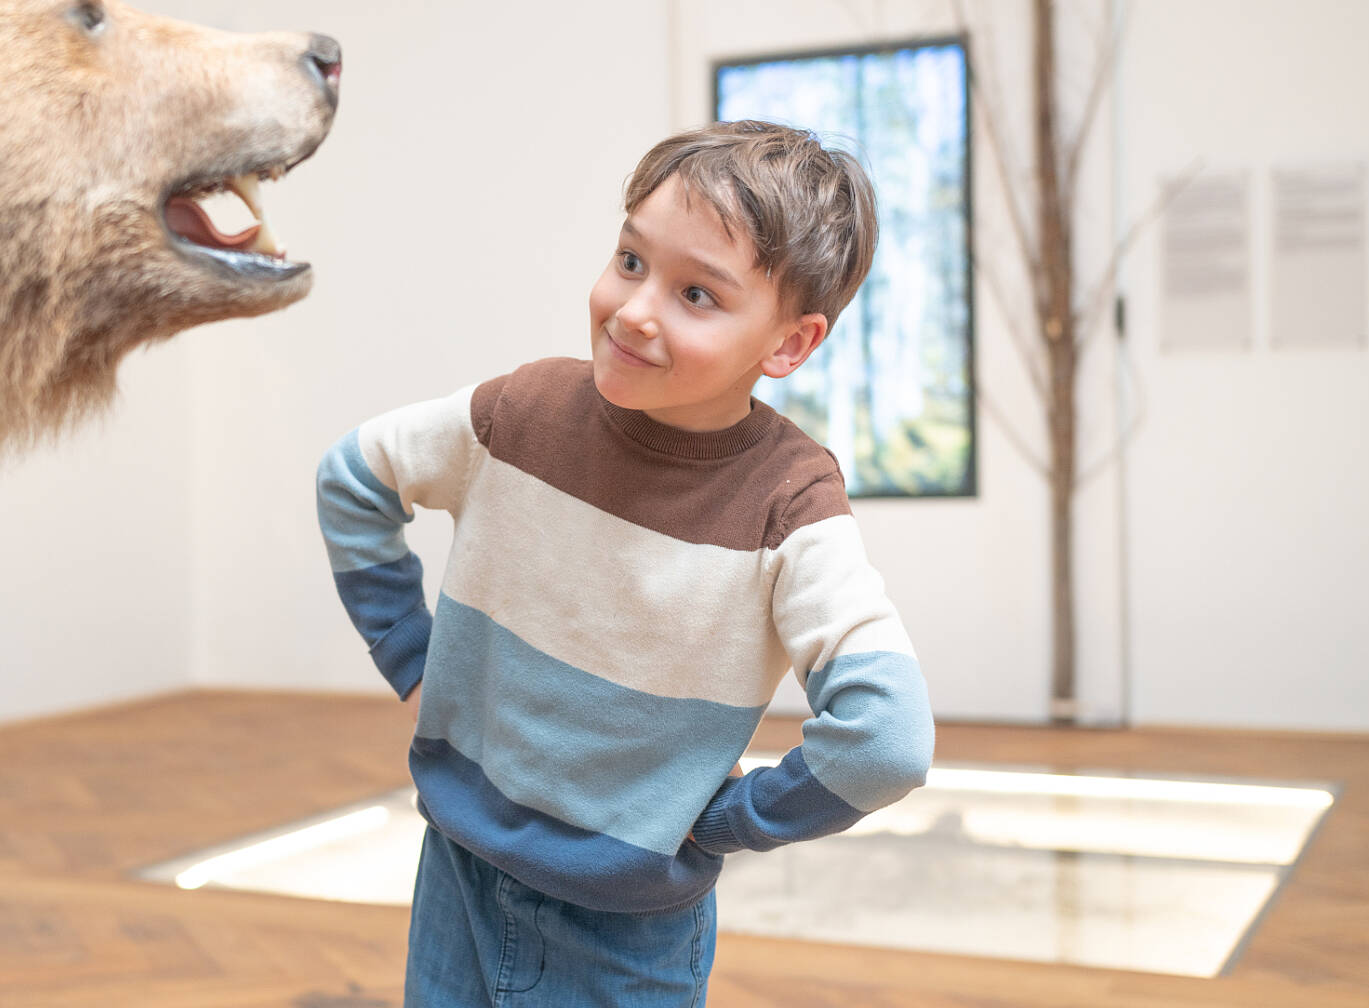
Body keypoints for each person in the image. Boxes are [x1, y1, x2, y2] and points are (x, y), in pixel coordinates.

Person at [314, 120, 934, 1007]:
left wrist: (731, 822)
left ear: (790, 345)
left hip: (623, 940)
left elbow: (889, 740)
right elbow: (354, 478)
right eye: (631, 262)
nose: (636, 310)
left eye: (698, 296)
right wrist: (410, 654)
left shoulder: (789, 504)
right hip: (452, 866)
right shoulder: (517, 412)